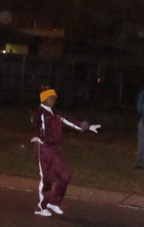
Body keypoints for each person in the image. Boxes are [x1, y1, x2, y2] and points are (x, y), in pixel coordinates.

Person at [31, 87, 100, 216]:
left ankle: (54, 202)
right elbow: (35, 125)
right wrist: (36, 136)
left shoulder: (56, 113)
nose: (53, 100)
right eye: (51, 98)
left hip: (56, 149)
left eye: (55, 98)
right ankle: (41, 207)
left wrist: (87, 127)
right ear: (44, 99)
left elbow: (71, 121)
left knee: (65, 175)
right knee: (47, 179)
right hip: (44, 149)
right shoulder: (39, 113)